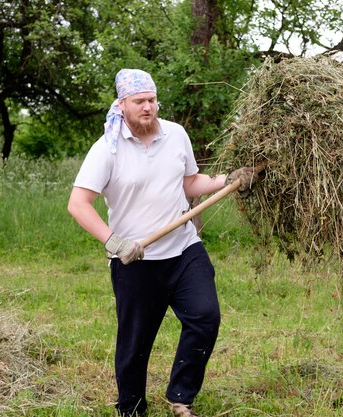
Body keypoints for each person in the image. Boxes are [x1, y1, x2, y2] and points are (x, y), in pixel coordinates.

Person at [67, 68, 258, 417]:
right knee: (135, 343)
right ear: (122, 104)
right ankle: (131, 407)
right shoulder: (106, 150)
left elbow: (189, 182)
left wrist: (225, 180)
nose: (148, 107)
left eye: (152, 100)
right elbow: (78, 204)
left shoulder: (175, 134)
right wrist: (115, 243)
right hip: (136, 260)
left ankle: (181, 397)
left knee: (205, 317)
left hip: (184, 250)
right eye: (139, 101)